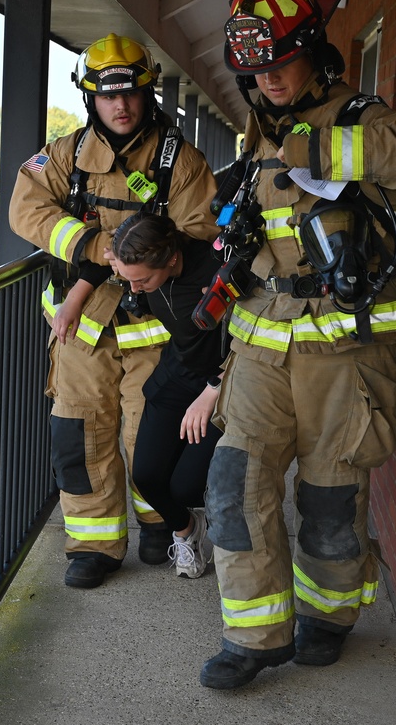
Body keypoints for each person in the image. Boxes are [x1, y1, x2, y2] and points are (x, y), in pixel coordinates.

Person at [198, 0, 396, 689]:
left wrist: (314, 152)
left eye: (280, 62)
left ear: (313, 51)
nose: (268, 78)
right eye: (256, 69)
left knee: (330, 497)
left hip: (345, 351)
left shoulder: (358, 119)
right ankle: (253, 635)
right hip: (260, 346)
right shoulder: (260, 130)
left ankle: (330, 615)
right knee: (233, 482)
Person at [9, 33, 219, 589]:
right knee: (81, 437)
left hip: (153, 329)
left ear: (147, 92)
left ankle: (158, 525)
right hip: (80, 332)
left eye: (130, 94)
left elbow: (199, 233)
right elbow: (26, 208)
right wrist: (90, 244)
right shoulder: (64, 156)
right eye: (106, 95)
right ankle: (94, 545)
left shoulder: (182, 161)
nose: (120, 106)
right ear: (90, 98)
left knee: (148, 433)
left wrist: (135, 249)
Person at [106, 211, 226, 579]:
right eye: (128, 280)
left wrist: (214, 390)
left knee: (186, 486)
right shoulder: (140, 273)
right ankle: (187, 531)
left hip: (224, 380)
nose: (135, 290)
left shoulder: (215, 269)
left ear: (170, 258)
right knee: (146, 476)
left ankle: (202, 517)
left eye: (141, 280)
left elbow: (250, 339)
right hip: (177, 373)